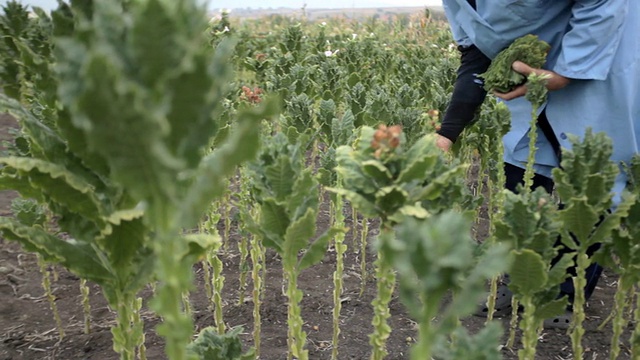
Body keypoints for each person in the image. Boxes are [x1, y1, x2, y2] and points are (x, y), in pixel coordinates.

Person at [436, 0, 640, 328]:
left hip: (601, 52)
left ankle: (565, 291)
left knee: (594, 178)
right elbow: (475, 53)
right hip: (527, 67)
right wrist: (447, 133)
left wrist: (567, 71)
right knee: (520, 170)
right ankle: (521, 276)